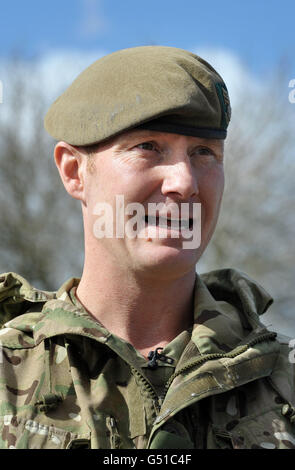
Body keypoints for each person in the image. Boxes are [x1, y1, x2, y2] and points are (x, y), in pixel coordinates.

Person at [0, 46, 294, 450]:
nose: (184, 182)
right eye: (148, 147)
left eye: (203, 152)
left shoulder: (282, 382)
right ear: (74, 172)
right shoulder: (7, 374)